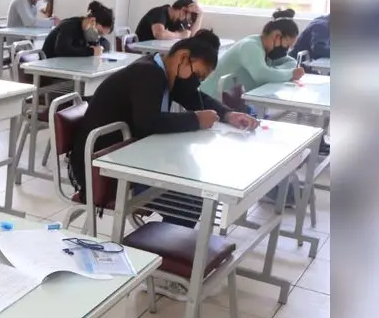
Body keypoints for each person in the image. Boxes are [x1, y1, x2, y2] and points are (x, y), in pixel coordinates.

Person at [69, 30, 258, 226]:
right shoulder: (147, 73)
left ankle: (165, 246)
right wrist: (195, 120)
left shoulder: (165, 72)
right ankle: (161, 252)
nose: (196, 81)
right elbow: (147, 122)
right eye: (198, 75)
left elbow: (196, 99)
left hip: (126, 157)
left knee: (192, 191)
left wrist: (228, 114)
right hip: (100, 167)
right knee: (188, 203)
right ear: (183, 58)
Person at [199, 9, 303, 99]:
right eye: (287, 45)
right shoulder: (250, 46)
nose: (286, 50)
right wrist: (290, 74)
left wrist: (276, 72)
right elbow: (261, 74)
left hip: (231, 99)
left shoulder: (265, 48)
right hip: (211, 99)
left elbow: (291, 63)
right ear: (277, 36)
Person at [42, 0, 114, 58]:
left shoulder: (88, 33)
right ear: (92, 21)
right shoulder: (69, 26)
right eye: (99, 32)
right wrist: (91, 51)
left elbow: (106, 44)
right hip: (50, 68)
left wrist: (100, 48)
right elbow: (62, 49)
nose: (98, 36)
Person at [134, 0, 203, 42]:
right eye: (186, 17)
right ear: (183, 10)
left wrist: (200, 15)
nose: (185, 20)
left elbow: (191, 36)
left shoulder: (175, 20)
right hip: (140, 49)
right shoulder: (159, 12)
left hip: (154, 50)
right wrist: (180, 35)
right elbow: (159, 34)